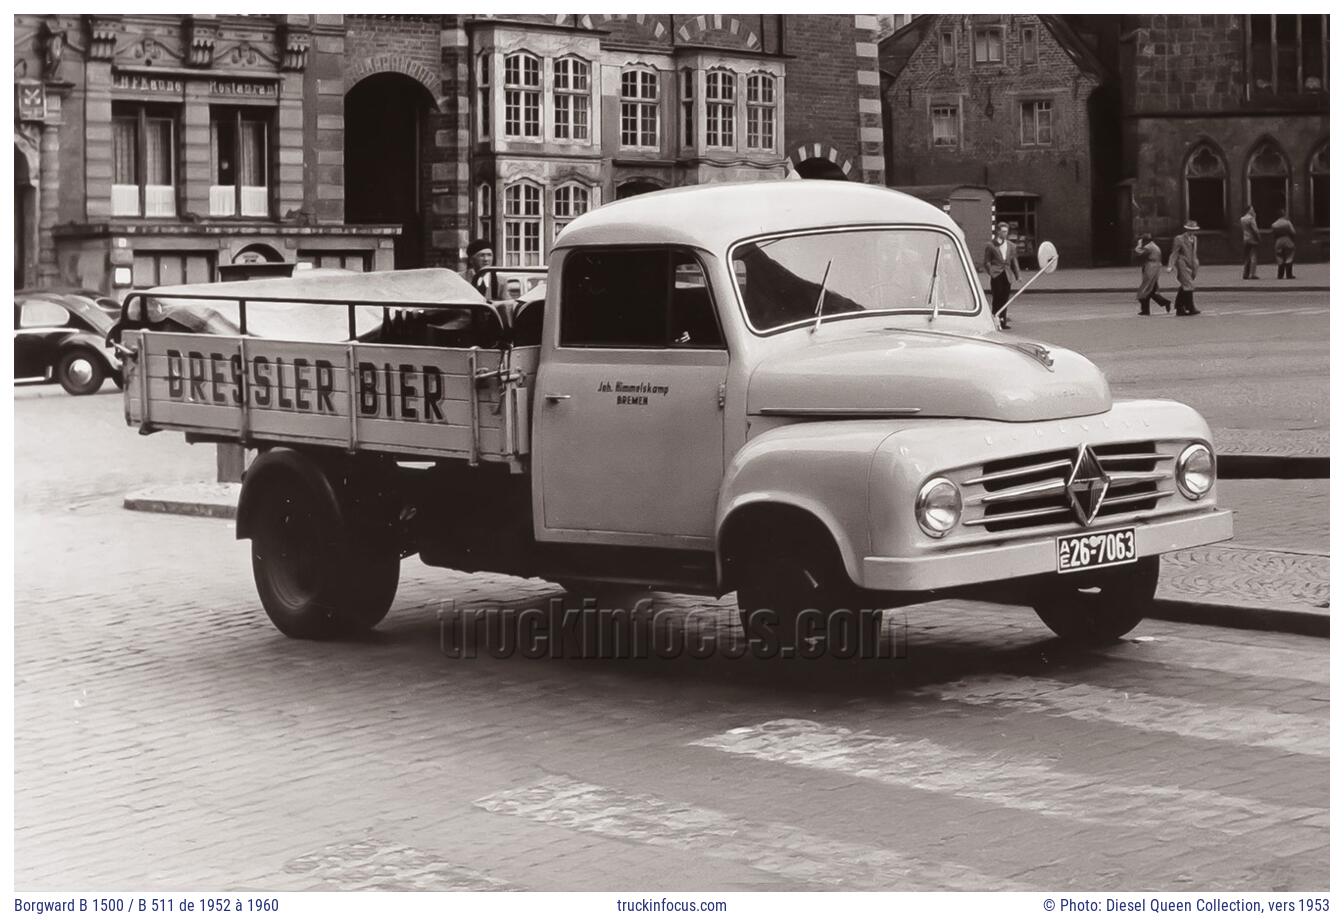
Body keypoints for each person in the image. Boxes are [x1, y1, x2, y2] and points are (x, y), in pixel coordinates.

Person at [983, 222, 1020, 330]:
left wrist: (1018, 275)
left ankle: (1003, 321)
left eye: (1006, 231)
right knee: (997, 297)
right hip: (996, 273)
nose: (1005, 233)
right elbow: (987, 261)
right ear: (998, 231)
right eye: (1003, 231)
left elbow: (1014, 261)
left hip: (1007, 274)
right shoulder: (991, 245)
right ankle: (995, 319)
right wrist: (991, 271)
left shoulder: (1011, 246)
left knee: (1005, 297)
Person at [1167, 220, 1201, 316]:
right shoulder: (1179, 238)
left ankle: (1179, 307)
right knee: (1188, 285)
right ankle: (1190, 307)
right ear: (1186, 229)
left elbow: (1193, 253)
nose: (1192, 232)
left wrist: (1196, 264)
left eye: (1194, 230)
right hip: (1182, 264)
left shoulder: (1195, 238)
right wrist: (1170, 265)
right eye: (1190, 229)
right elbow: (1174, 252)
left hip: (1192, 264)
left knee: (1185, 286)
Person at [1134, 233, 1171, 315]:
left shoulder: (1148, 247)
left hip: (1151, 268)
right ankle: (1148, 309)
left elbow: (1139, 252)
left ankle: (1148, 309)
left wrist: (1138, 244)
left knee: (1146, 289)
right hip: (1154, 267)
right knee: (1151, 290)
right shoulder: (1153, 246)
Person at [1270, 209, 1297, 279]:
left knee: (1279, 256)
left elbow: (1273, 234)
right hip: (1287, 240)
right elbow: (1293, 232)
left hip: (1278, 241)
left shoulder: (1274, 224)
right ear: (1284, 215)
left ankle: (1280, 275)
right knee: (1289, 256)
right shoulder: (1287, 223)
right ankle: (1289, 274)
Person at [1239, 204, 1261, 279]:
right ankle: (1252, 274)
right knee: (1253, 257)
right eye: (1252, 209)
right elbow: (1255, 230)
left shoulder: (1242, 219)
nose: (1253, 210)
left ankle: (1245, 274)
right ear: (1249, 210)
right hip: (1252, 239)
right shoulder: (1251, 219)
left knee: (1246, 257)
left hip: (1245, 239)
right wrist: (1259, 238)